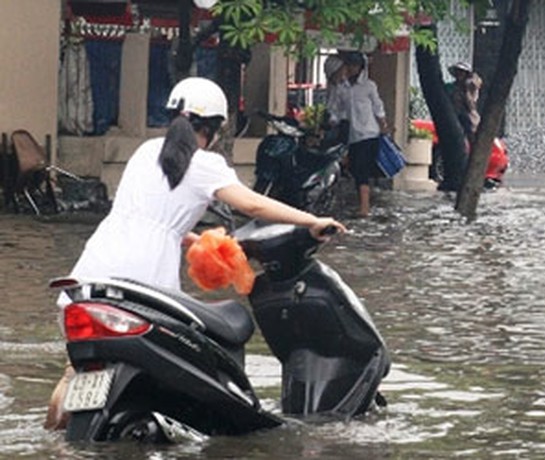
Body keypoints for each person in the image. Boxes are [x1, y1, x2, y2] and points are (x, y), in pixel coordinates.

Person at [44, 76, 346, 430]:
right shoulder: (205, 164)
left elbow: (153, 215)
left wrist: (190, 239)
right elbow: (252, 205)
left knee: (77, 370)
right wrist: (312, 221)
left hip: (96, 264)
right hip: (144, 273)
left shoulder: (146, 152)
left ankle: (56, 442)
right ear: (216, 127)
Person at [339, 52, 389, 217]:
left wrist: (383, 126)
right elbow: (340, 112)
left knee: (362, 171)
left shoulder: (369, 86)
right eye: (350, 65)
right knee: (354, 169)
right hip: (353, 136)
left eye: (355, 65)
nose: (352, 69)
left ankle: (365, 208)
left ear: (361, 68)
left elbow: (378, 108)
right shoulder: (343, 88)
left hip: (369, 135)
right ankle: (363, 204)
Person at [447, 61, 483, 145]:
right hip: (453, 115)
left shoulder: (470, 87)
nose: (459, 74)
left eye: (462, 72)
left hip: (468, 115)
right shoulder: (450, 87)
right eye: (458, 72)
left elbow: (472, 102)